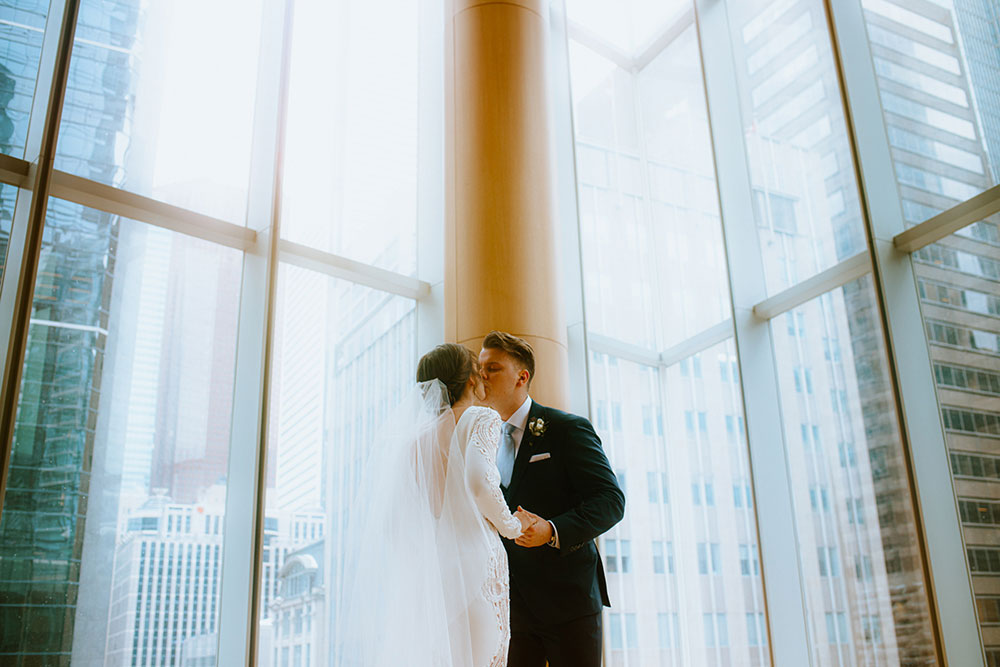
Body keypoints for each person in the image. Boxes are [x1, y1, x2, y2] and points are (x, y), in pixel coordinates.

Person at [336, 343, 534, 667]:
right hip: (477, 564)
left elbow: (393, 524)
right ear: (471, 379)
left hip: (437, 577)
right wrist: (512, 526)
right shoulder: (480, 417)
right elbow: (480, 480)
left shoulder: (412, 443)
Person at [479, 331, 625, 667]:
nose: (482, 375)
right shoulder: (483, 442)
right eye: (480, 367)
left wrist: (552, 530)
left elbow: (610, 500)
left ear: (522, 377)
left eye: (493, 368)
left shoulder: (567, 429)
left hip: (569, 605)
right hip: (512, 610)